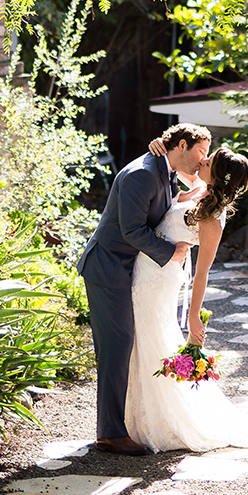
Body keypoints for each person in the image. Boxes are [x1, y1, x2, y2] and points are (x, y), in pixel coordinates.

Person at [124, 140, 248, 452]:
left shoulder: (212, 220)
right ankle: (136, 416)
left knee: (151, 339)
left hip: (158, 279)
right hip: (147, 267)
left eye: (209, 160)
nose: (202, 160)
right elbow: (176, 166)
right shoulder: (200, 190)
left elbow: (202, 273)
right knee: (143, 339)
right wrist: (160, 145)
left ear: (217, 174)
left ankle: (159, 421)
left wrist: (193, 318)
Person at [78, 123, 206, 454]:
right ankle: (109, 433)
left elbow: (153, 209)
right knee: (116, 346)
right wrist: (173, 252)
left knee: (123, 344)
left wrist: (182, 198)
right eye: (200, 151)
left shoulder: (163, 170)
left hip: (124, 268)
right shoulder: (142, 173)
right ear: (181, 145)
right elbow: (132, 229)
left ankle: (115, 426)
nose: (202, 159)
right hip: (107, 268)